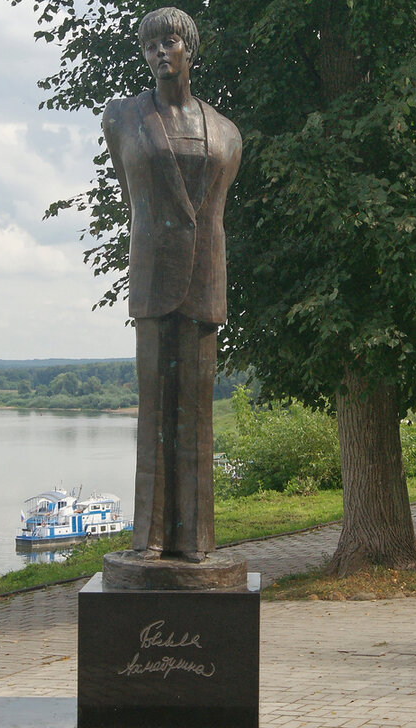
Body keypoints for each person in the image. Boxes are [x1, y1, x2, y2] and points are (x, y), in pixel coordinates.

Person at [102, 7, 242, 563]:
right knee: (154, 411)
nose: (160, 52)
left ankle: (196, 541)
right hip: (154, 273)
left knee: (198, 415)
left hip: (205, 278)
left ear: (190, 50)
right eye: (150, 44)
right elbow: (132, 189)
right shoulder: (122, 118)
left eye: (170, 43)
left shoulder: (228, 132)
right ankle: (151, 538)